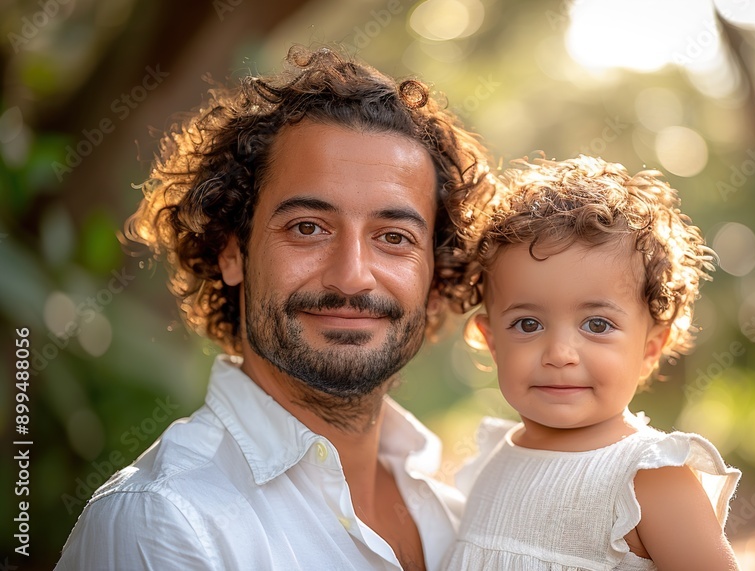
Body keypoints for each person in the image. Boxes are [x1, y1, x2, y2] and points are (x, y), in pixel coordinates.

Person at [55, 45, 495, 570]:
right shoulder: (164, 521)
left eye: (394, 236)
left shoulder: (467, 523)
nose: (352, 275)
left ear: (435, 275)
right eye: (307, 228)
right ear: (231, 250)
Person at [441, 156, 743, 569]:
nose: (560, 354)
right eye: (528, 323)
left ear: (651, 348)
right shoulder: (490, 463)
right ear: (492, 343)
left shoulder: (648, 479)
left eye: (597, 324)